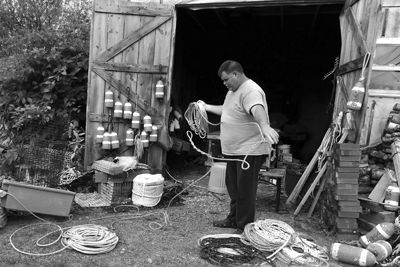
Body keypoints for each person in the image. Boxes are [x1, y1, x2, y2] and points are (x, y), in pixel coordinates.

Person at [199, 60, 279, 233]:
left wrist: (265, 126)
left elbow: (257, 109)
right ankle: (234, 218)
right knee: (234, 187)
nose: (225, 83)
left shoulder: (251, 90)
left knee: (245, 190)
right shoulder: (233, 91)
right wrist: (206, 107)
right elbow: (227, 110)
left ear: (235, 74)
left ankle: (244, 226)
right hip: (235, 150)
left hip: (248, 151)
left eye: (226, 79)